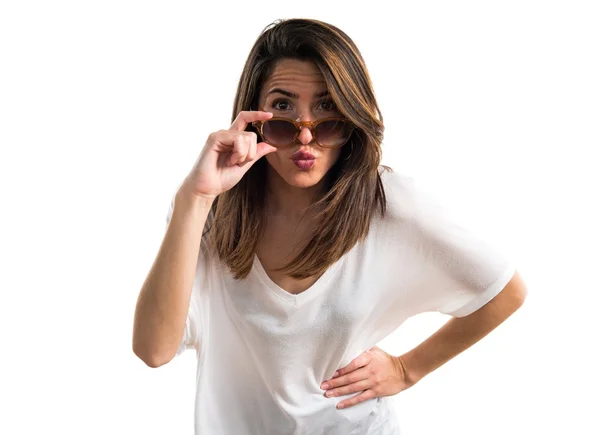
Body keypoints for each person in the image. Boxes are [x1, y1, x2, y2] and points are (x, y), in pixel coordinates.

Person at [132, 18, 527, 435]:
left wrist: (406, 370)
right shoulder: (211, 212)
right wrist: (193, 200)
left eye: (325, 107)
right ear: (253, 116)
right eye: (283, 107)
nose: (306, 134)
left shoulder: (390, 205)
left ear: (351, 114)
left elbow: (504, 290)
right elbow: (153, 350)